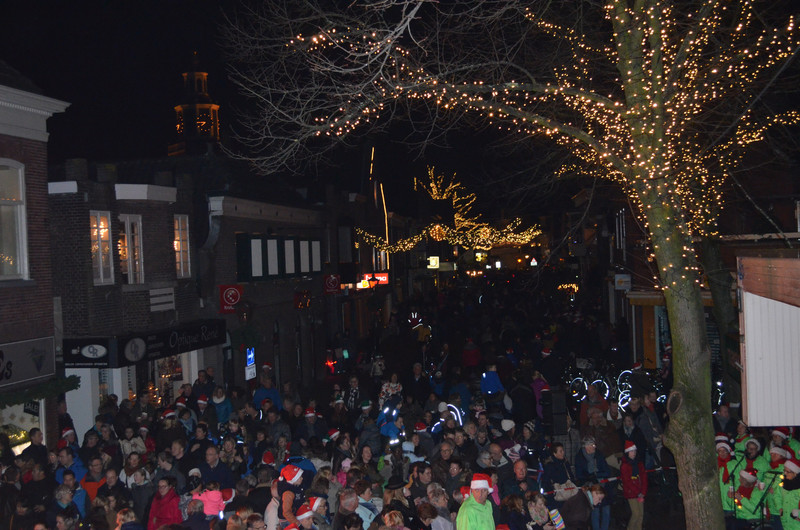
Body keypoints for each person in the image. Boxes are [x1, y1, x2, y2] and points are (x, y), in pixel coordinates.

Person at [620, 441, 647, 530]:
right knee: (636, 513)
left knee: (641, 515)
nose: (633, 453)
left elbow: (643, 478)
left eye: (634, 451)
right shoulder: (625, 466)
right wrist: (637, 492)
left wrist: (642, 491)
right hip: (631, 493)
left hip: (640, 492)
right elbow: (627, 481)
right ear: (627, 452)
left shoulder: (639, 464)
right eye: (631, 451)